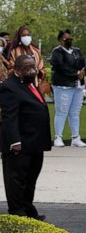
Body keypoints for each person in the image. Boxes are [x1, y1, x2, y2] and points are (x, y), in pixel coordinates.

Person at [0, 55, 53, 220]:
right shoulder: (9, 87)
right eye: (26, 68)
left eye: (33, 67)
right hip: (20, 143)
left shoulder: (31, 85)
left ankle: (28, 208)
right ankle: (17, 211)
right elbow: (10, 117)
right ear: (16, 70)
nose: (31, 71)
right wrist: (15, 141)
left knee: (31, 179)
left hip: (36, 142)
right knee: (16, 179)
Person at [49, 29, 86, 148]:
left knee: (75, 112)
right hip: (63, 85)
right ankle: (58, 137)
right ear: (60, 39)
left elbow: (84, 62)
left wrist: (83, 71)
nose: (69, 40)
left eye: (71, 38)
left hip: (78, 85)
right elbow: (60, 67)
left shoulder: (76, 51)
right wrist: (76, 73)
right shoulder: (57, 52)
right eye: (67, 38)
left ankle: (75, 137)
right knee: (62, 111)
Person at [6, 26, 46, 94]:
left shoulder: (36, 51)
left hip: (35, 83)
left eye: (28, 35)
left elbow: (41, 68)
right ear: (20, 37)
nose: (26, 37)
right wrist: (22, 72)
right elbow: (11, 67)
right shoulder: (15, 51)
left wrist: (38, 76)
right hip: (20, 84)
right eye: (23, 35)